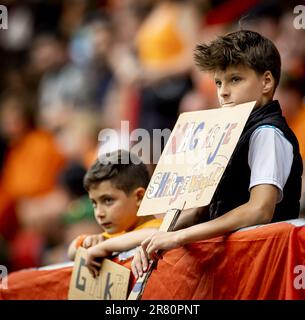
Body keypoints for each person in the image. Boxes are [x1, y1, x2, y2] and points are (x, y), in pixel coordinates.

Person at [131, 30, 303, 279]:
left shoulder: (267, 133)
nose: (222, 92)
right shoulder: (228, 134)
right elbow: (203, 210)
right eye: (219, 82)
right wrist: (158, 237)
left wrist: (179, 237)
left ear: (266, 82)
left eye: (235, 79)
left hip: (263, 270)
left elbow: (259, 210)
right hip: (233, 268)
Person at [67, 149, 162, 277]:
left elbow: (153, 234)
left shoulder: (158, 227)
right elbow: (71, 252)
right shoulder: (116, 234)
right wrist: (86, 242)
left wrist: (104, 247)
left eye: (108, 200)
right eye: (94, 203)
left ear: (139, 197)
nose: (99, 213)